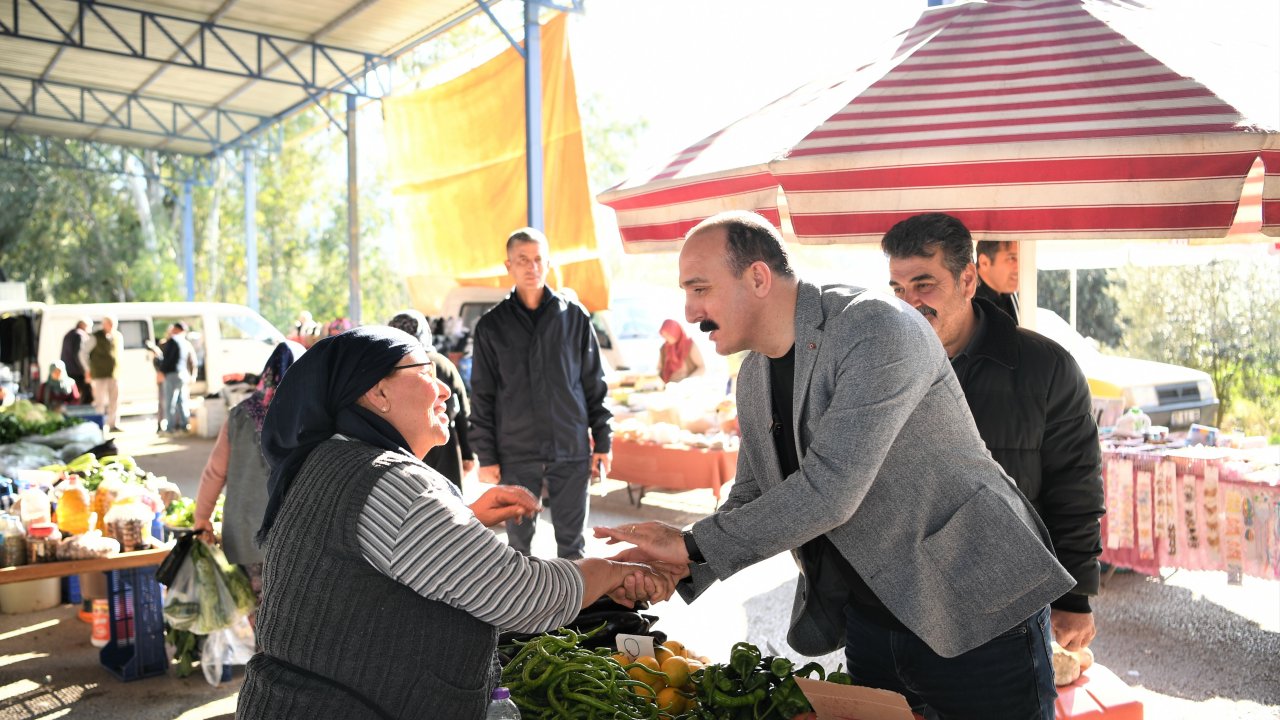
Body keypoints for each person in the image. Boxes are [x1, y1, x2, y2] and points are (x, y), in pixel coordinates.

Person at [596, 211, 1075, 720]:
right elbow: (754, 496)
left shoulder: (877, 328)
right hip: (872, 621)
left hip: (977, 604)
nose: (691, 312)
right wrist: (680, 563)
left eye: (699, 289)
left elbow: (830, 489)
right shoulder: (756, 372)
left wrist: (690, 545)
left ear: (758, 277)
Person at [236, 326, 675, 720]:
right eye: (425, 372)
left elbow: (369, 566)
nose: (445, 390)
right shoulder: (393, 482)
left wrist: (465, 519)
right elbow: (522, 596)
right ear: (377, 394)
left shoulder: (330, 460)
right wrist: (612, 572)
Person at [882, 213, 1105, 652]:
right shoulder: (878, 368)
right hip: (897, 606)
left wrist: (1075, 595)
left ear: (968, 280)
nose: (910, 303)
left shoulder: (1046, 368)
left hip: (1009, 604)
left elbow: (1075, 487)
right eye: (898, 289)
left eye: (924, 285)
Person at [470, 228, 612, 560]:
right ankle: (522, 611)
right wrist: (486, 455)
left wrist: (603, 441)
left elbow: (594, 383)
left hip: (570, 448)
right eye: (523, 260)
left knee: (573, 546)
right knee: (517, 548)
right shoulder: (492, 326)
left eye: (538, 260)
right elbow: (483, 395)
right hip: (516, 452)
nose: (532, 268)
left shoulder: (573, 316)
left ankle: (576, 612)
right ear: (509, 266)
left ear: (548, 263)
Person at [192, 340, 303, 630]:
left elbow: (214, 472)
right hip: (290, 538)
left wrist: (201, 519)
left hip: (243, 533)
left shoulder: (241, 414)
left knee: (260, 614)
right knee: (290, 618)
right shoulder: (306, 417)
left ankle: (264, 663)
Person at [387, 309, 476, 487]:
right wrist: (468, 454)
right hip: (444, 447)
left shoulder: (388, 364)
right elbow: (462, 414)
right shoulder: (442, 363)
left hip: (400, 447)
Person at [81, 315, 124, 433]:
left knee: (114, 400)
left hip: (114, 373)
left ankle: (113, 423)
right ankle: (99, 425)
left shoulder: (117, 336)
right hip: (99, 374)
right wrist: (88, 369)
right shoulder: (95, 336)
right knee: (100, 401)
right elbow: (83, 353)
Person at [157, 322, 197, 434]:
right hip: (183, 374)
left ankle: (170, 428)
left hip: (172, 374)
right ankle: (185, 424)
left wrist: (161, 371)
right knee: (182, 401)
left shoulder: (172, 342)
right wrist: (192, 375)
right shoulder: (186, 343)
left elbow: (167, 360)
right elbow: (192, 361)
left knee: (170, 402)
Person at [974, 239, 1020, 322]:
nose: (1019, 267)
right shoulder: (969, 305)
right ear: (984, 263)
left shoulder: (1008, 293)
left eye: (1021, 258)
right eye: (1011, 258)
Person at [657, 318, 705, 384]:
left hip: (687, 386)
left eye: (668, 334)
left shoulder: (689, 345)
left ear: (675, 332)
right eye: (664, 335)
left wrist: (688, 381)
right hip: (668, 386)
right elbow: (659, 368)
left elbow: (702, 367)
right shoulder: (664, 348)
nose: (666, 338)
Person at [59, 318, 92, 405]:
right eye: (89, 327)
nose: (89, 331)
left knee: (72, 395)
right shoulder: (79, 335)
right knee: (87, 394)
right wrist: (85, 370)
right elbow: (79, 355)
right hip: (77, 372)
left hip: (68, 370)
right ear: (82, 325)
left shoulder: (68, 334)